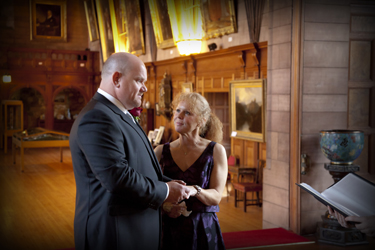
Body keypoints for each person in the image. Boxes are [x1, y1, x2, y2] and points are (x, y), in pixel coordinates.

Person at [69, 52, 192, 250]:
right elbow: (117, 178)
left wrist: (166, 183)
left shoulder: (118, 113)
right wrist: (166, 191)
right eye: (139, 80)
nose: (145, 88)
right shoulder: (97, 117)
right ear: (116, 79)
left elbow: (136, 166)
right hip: (114, 234)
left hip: (132, 229)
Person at [154, 92, 228, 250]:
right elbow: (148, 191)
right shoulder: (160, 152)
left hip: (203, 229)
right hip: (168, 229)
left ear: (202, 120)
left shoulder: (216, 151)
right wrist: (165, 207)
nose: (179, 116)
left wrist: (195, 190)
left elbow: (216, 197)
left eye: (187, 112)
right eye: (178, 110)